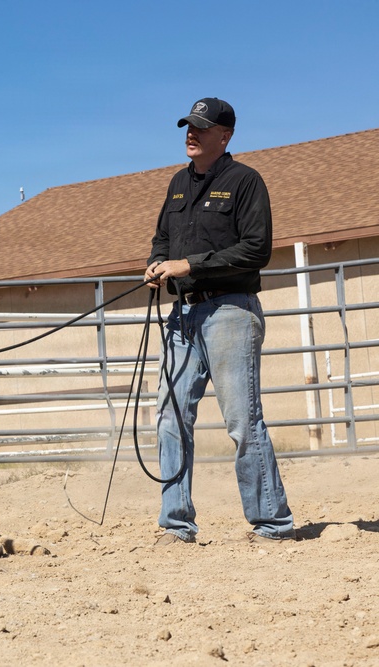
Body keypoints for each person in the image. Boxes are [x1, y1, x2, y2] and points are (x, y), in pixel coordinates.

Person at [144, 97, 295, 545]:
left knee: (242, 420)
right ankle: (176, 524)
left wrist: (188, 265)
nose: (191, 133)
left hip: (230, 311)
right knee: (170, 416)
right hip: (183, 314)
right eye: (188, 126)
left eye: (201, 128)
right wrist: (156, 264)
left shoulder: (245, 182)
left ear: (225, 135)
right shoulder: (176, 184)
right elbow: (161, 239)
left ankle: (272, 523)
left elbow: (256, 250)